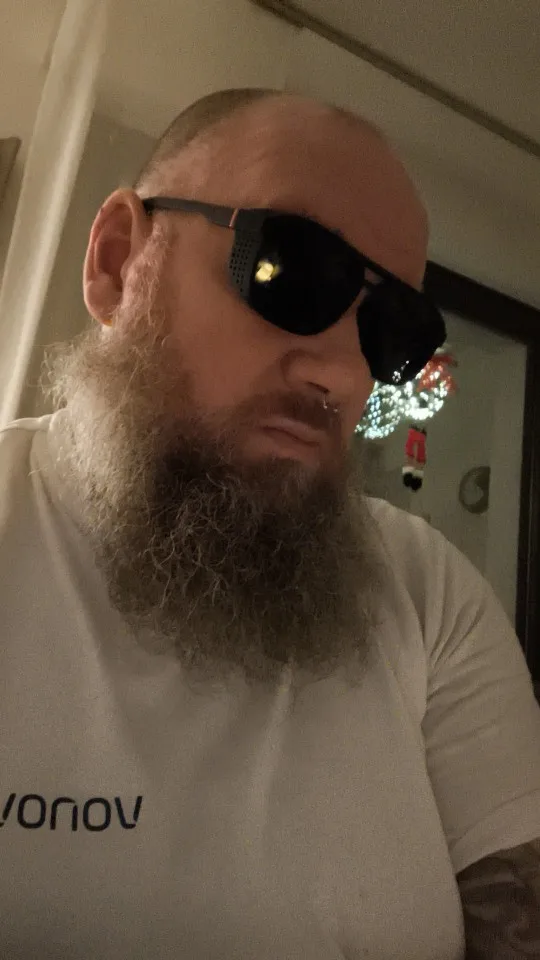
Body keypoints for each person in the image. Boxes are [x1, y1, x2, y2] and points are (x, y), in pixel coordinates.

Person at [0, 88, 539, 960]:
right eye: (289, 271)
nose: (344, 373)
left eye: (391, 330)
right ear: (117, 261)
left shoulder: (433, 596)